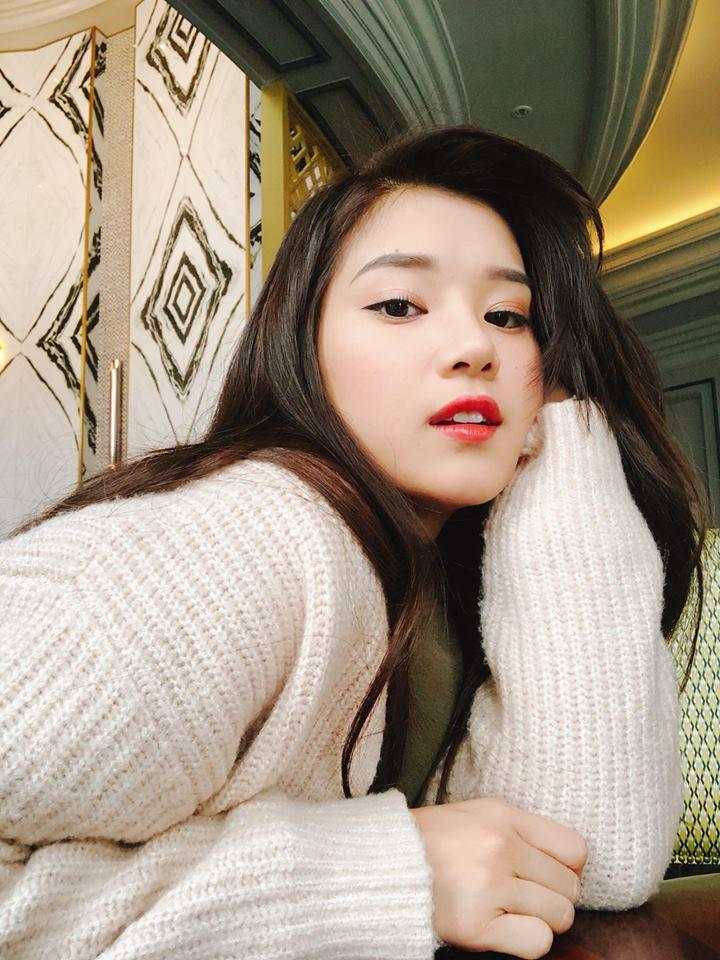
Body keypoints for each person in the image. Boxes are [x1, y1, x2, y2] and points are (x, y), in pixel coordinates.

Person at [0, 124, 710, 960]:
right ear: (302, 346)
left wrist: (563, 449)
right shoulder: (240, 548)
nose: (474, 347)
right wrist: (374, 876)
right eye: (399, 305)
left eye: (509, 316)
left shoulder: (438, 590)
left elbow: (588, 856)